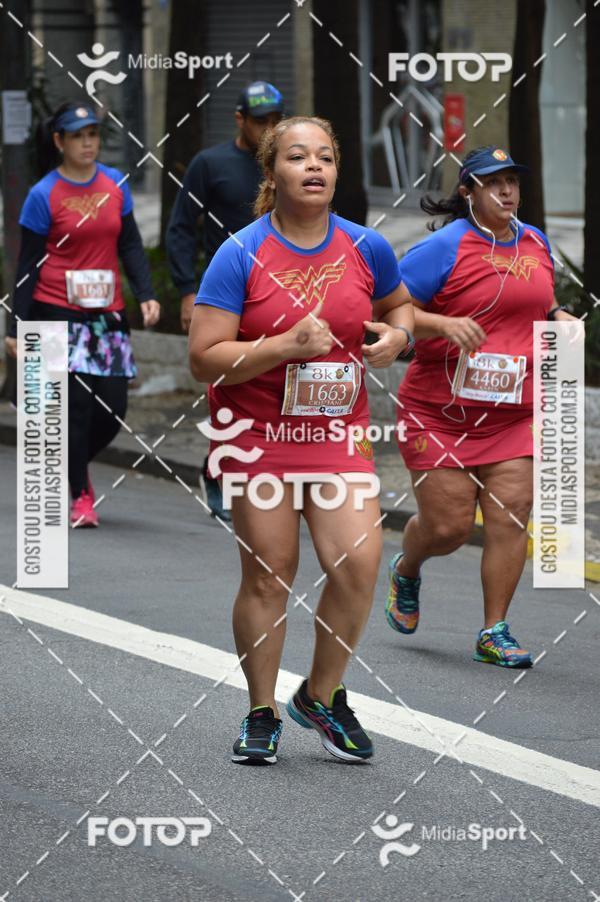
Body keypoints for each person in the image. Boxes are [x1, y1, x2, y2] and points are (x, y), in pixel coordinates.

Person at [188, 116, 414, 764]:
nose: (313, 167)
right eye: (297, 156)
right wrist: (284, 346)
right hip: (257, 433)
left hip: (336, 430)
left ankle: (319, 694)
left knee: (359, 562)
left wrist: (398, 337)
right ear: (272, 173)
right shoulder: (240, 254)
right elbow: (204, 359)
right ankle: (261, 710)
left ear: (336, 171)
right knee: (269, 574)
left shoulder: (366, 247)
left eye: (324, 156)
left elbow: (398, 306)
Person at [384, 145, 578, 667]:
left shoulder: (535, 241)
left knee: (511, 517)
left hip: (514, 413)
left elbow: (540, 301)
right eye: (494, 182)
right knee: (448, 527)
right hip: (439, 412)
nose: (508, 191)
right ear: (468, 191)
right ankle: (407, 567)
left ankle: (494, 630)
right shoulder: (442, 249)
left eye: (513, 181)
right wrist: (441, 324)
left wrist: (560, 315)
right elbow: (389, 310)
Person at [5, 101, 160, 527]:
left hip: (106, 315)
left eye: (92, 134)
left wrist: (144, 293)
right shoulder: (43, 195)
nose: (88, 142)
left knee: (112, 407)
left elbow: (129, 243)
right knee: (75, 407)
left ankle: (66, 464)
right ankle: (81, 495)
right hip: (56, 312)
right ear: (59, 142)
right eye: (78, 136)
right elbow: (28, 266)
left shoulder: (115, 184)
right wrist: (16, 325)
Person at [166, 82, 285, 519]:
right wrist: (186, 290)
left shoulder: (290, 164)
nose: (269, 129)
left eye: (276, 120)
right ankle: (219, 471)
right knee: (228, 385)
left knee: (276, 385)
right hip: (228, 297)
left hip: (282, 290)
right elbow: (181, 227)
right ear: (240, 121)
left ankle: (271, 467)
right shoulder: (210, 164)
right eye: (260, 122)